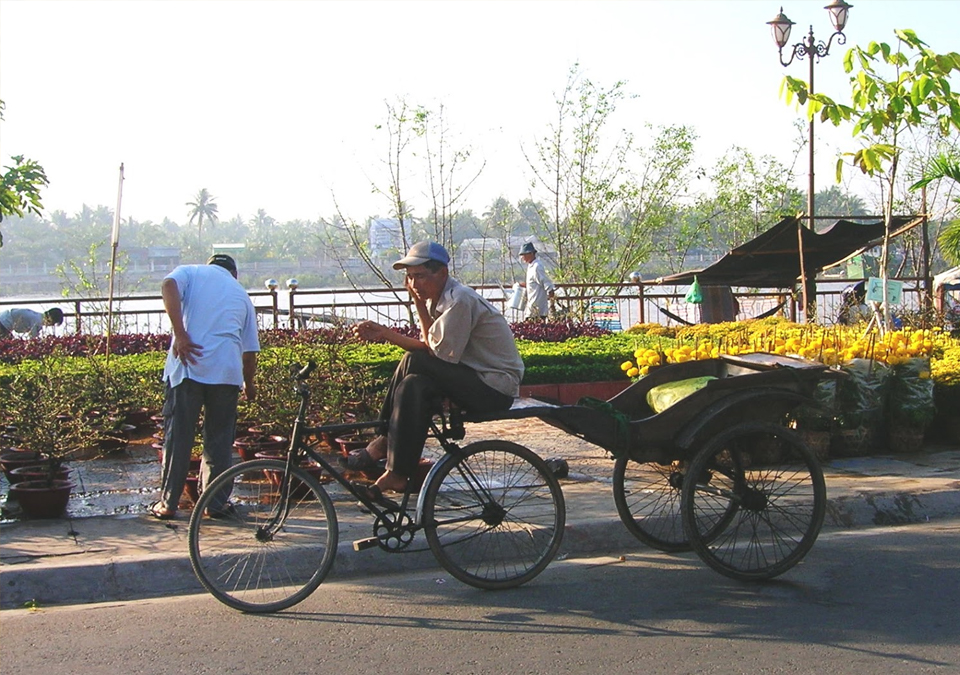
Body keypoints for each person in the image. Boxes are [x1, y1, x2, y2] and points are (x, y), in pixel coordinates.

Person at [346, 241, 524, 507]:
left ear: (441, 273)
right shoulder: (439, 300)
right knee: (412, 385)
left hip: (495, 388)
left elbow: (432, 354)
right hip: (472, 379)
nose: (413, 283)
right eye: (409, 277)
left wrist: (385, 334)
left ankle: (381, 441)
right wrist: (418, 303)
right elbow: (431, 341)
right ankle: (396, 473)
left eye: (419, 276)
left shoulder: (460, 300)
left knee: (414, 359)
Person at [151, 254, 260, 520]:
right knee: (219, 441)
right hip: (226, 372)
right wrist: (250, 385)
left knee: (179, 438)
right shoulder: (242, 295)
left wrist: (180, 333)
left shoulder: (191, 271)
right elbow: (249, 353)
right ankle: (215, 504)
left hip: (190, 367)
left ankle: (168, 504)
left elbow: (168, 285)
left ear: (211, 265)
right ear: (234, 274)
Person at [517, 242, 555, 320]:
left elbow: (548, 286)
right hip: (531, 308)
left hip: (538, 310)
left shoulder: (537, 267)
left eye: (524, 254)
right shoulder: (530, 266)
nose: (523, 257)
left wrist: (552, 305)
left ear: (531, 254)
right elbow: (534, 284)